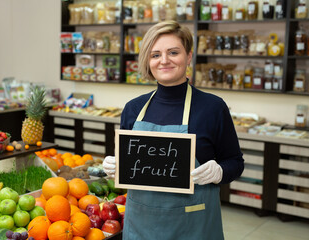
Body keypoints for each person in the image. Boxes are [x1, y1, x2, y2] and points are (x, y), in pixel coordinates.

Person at [103, 20, 244, 239]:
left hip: (193, 225)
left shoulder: (213, 108)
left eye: (173, 52)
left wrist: (220, 172)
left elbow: (235, 162)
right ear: (148, 61)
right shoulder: (133, 109)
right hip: (141, 224)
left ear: (188, 56)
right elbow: (131, 165)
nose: (164, 61)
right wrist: (115, 166)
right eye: (155, 54)